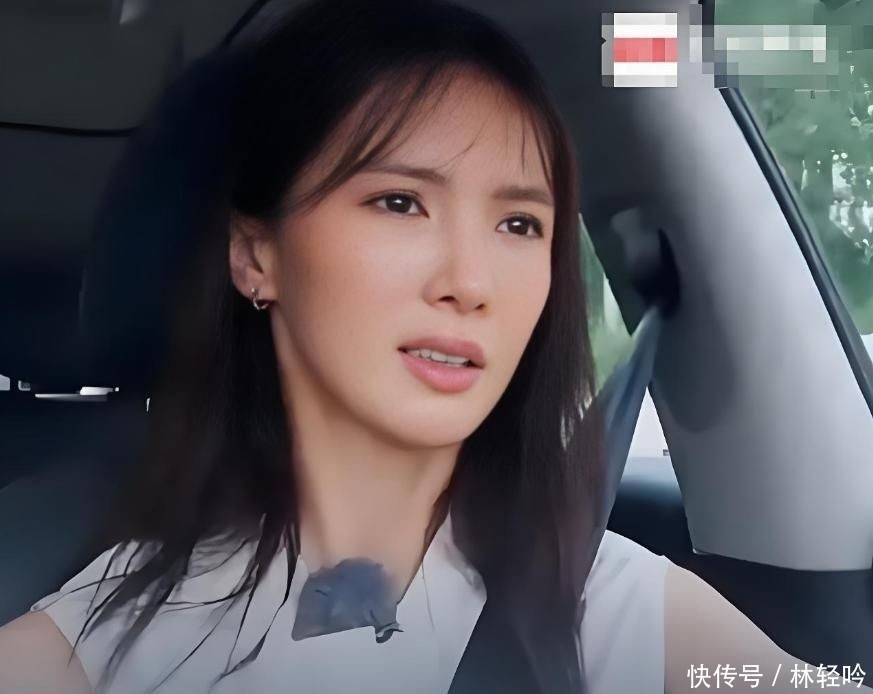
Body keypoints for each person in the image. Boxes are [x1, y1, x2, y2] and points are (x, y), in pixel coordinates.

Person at [0, 1, 865, 693]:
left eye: (519, 224)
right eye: (399, 203)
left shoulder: (617, 612)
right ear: (255, 255)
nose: (470, 281)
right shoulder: (108, 640)